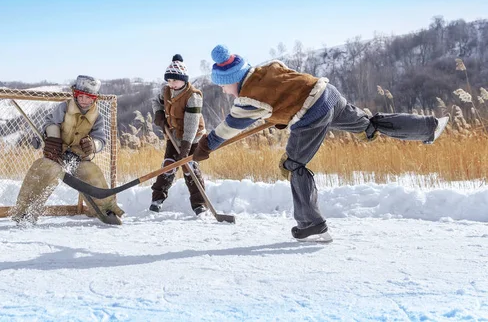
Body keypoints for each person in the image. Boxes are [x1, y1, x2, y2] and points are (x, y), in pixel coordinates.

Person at [192, 45, 449, 241]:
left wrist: (206, 145)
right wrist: (281, 115)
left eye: (224, 87)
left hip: (311, 112)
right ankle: (428, 127)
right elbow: (289, 87)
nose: (225, 92)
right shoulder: (268, 68)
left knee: (293, 165)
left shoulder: (248, 99)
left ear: (232, 81)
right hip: (329, 94)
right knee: (369, 125)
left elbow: (228, 127)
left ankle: (311, 225)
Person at [11, 75, 124, 226]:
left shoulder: (97, 117)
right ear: (75, 95)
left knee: (92, 173)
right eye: (80, 96)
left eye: (88, 97)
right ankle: (26, 212)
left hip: (79, 159)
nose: (83, 100)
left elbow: (101, 139)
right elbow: (50, 123)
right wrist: (53, 139)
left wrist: (93, 145)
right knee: (43, 169)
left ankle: (106, 211)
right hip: (56, 156)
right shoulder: (64, 107)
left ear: (94, 99)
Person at [150, 54, 208, 215]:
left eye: (174, 80)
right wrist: (159, 114)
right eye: (169, 81)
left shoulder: (193, 96)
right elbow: (155, 101)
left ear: (183, 79)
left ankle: (199, 203)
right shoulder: (166, 91)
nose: (171, 84)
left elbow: (191, 123)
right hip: (174, 135)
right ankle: (157, 199)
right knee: (168, 165)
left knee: (189, 167)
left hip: (193, 137)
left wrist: (186, 145)